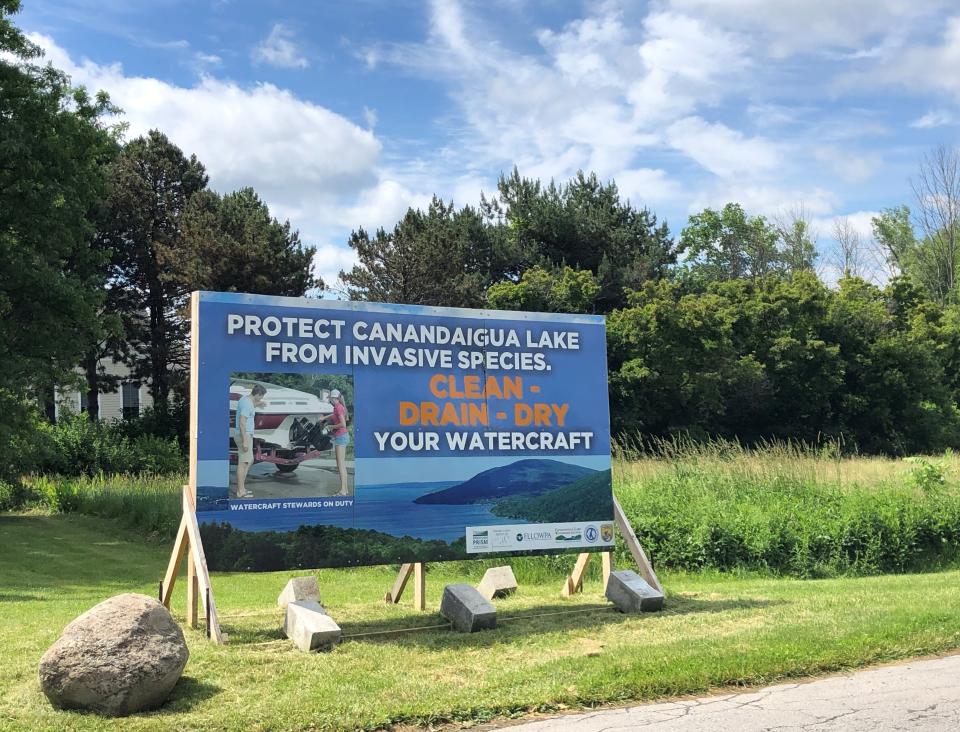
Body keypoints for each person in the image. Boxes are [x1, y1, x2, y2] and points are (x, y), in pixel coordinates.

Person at [235, 383, 266, 499]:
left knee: (249, 460)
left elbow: (251, 405)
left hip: (246, 434)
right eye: (261, 397)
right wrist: (245, 441)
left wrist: (259, 404)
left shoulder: (245, 399)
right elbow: (242, 423)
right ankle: (240, 491)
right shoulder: (247, 404)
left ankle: (241, 487)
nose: (261, 398)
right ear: (258, 394)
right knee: (243, 463)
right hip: (245, 435)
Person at [323, 389, 350, 496]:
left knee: (341, 465)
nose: (330, 400)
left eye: (330, 398)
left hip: (341, 437)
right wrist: (323, 418)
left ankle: (343, 491)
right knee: (341, 465)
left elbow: (343, 424)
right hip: (342, 437)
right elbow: (333, 415)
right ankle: (345, 489)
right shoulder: (338, 407)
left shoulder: (338, 408)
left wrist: (331, 427)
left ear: (335, 398)